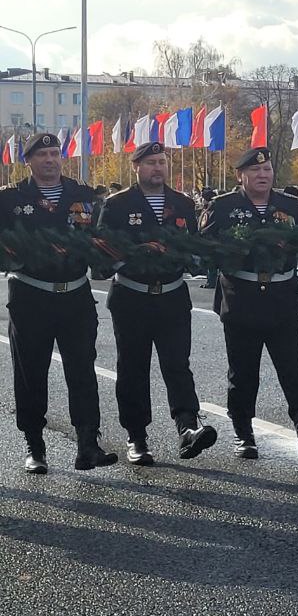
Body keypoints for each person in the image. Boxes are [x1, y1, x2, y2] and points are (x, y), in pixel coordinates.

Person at [199, 147, 298, 459]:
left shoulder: (290, 205)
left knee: (293, 369)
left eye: (267, 170)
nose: (263, 176)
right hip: (241, 297)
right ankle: (243, 433)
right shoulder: (223, 207)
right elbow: (204, 247)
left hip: (281, 297)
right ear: (240, 176)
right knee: (243, 372)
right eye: (255, 171)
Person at [0, 132, 115, 473]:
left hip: (75, 295)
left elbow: (101, 238)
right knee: (31, 371)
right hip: (31, 295)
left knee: (82, 370)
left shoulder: (83, 194)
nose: (50, 160)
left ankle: (88, 444)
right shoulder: (10, 199)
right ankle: (35, 446)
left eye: (54, 154)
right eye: (42, 155)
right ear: (28, 161)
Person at [97, 142, 216, 465]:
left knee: (177, 365)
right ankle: (137, 437)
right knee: (133, 367)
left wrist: (194, 259)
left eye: (162, 162)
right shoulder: (118, 204)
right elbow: (104, 249)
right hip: (132, 296)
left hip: (173, 295)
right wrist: (132, 258)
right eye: (150, 162)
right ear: (137, 167)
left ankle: (188, 427)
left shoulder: (180, 203)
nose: (157, 168)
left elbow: (192, 244)